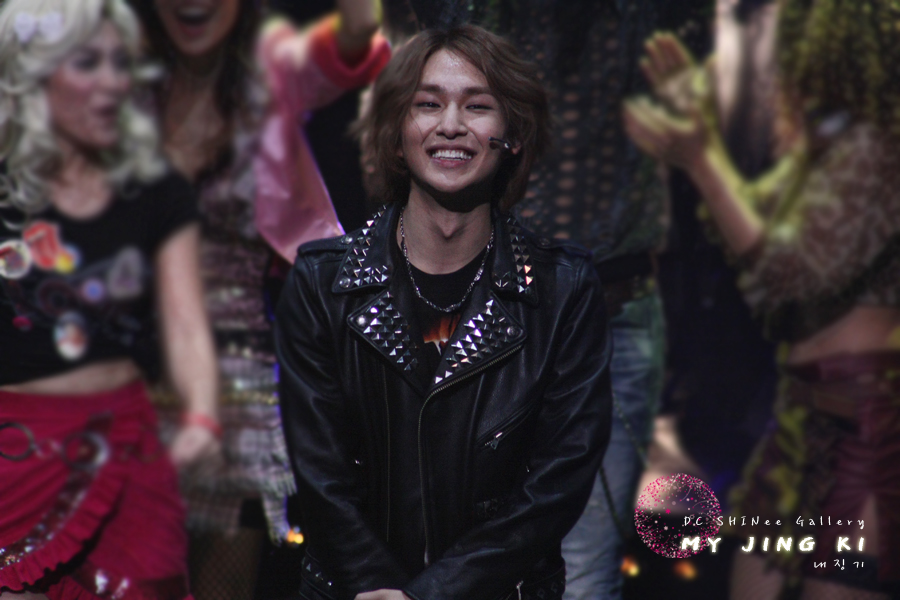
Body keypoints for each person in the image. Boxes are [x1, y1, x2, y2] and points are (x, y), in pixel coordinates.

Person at [276, 25, 613, 600]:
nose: (451, 125)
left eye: (477, 106)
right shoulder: (321, 282)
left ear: (512, 135)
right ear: (396, 132)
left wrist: (430, 595)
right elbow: (319, 473)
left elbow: (556, 484)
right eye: (428, 104)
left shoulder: (563, 290)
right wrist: (380, 589)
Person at [373, 4, 673, 597]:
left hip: (611, 302)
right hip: (482, 305)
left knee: (583, 565)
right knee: (442, 543)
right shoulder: (475, 16)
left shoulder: (644, 16)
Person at [624, 0, 900, 597]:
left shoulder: (879, 150)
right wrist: (699, 129)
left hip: (866, 427)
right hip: (801, 418)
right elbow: (750, 235)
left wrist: (701, 155)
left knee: (835, 583)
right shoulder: (828, 148)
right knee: (752, 580)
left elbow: (787, 274)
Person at [125, 0, 389, 596]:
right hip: (127, 373)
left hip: (236, 382)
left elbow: (357, 30)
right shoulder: (112, 83)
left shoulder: (275, 78)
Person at [0, 0, 219, 598]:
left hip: (127, 442)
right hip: (16, 451)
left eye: (121, 63)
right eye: (88, 63)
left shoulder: (154, 189)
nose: (112, 83)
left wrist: (202, 413)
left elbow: (185, 320)